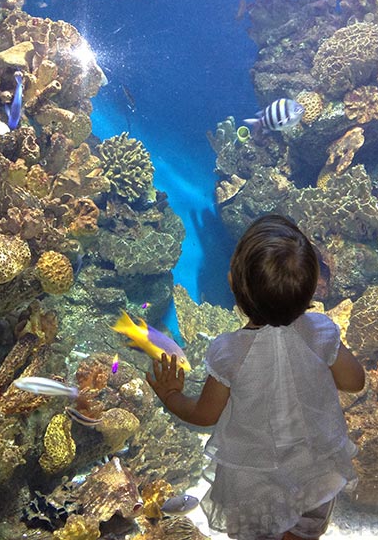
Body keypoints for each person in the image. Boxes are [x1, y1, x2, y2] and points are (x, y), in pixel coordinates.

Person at [147, 214, 365, 540]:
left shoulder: (229, 352)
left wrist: (171, 395)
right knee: (304, 532)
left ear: (233, 284)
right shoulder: (322, 332)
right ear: (313, 287)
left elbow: (205, 415)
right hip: (315, 473)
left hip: (255, 484)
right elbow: (355, 381)